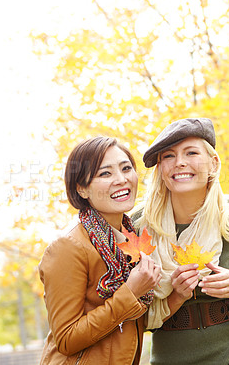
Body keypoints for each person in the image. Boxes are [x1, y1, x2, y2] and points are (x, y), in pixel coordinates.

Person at [133, 118, 229, 364]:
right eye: (169, 156)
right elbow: (134, 316)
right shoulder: (138, 227)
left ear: (213, 162)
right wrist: (175, 296)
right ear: (160, 169)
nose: (180, 163)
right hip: (170, 356)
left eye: (191, 152)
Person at [38, 136, 161, 365]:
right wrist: (131, 292)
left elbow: (129, 326)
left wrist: (179, 294)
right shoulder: (68, 248)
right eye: (106, 173)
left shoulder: (129, 241)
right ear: (82, 189)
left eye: (126, 169)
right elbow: (66, 339)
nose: (122, 179)